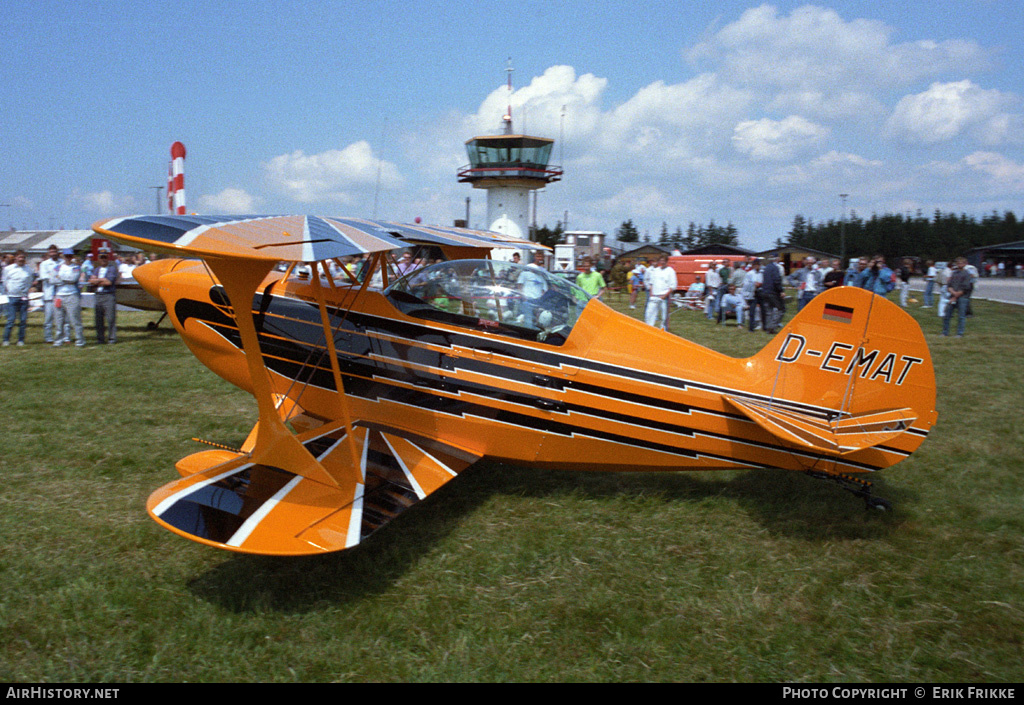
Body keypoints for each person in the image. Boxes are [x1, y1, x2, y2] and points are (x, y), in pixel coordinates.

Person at [53, 248, 85, 347]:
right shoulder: (57, 267)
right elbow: (52, 280)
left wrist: (60, 278)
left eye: (70, 256)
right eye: (66, 256)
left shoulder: (76, 267)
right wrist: (62, 279)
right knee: (58, 320)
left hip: (72, 295)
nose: (68, 258)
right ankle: (58, 341)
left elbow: (73, 278)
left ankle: (80, 341)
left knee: (75, 319)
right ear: (63, 256)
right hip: (59, 295)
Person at [2, 250, 35, 346]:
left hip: (23, 297)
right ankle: (6, 340)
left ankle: (21, 340)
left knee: (23, 320)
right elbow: (5, 281)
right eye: (19, 257)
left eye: (23, 257)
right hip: (12, 297)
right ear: (15, 258)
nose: (21, 259)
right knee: (11, 319)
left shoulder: (28, 269)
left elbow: (29, 281)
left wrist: (25, 291)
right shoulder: (8, 269)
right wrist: (10, 291)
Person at [90, 249, 120, 344]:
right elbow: (90, 281)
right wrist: (101, 280)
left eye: (105, 257)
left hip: (108, 295)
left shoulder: (112, 268)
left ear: (108, 258)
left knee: (110, 318)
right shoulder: (96, 269)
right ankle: (100, 339)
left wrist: (97, 280)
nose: (103, 259)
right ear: (98, 258)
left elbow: (108, 282)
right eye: (101, 257)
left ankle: (112, 338)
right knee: (98, 319)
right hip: (98, 295)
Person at [644, 255, 675, 331]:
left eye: (664, 260)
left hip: (664, 297)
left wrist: (664, 296)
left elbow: (672, 286)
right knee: (649, 314)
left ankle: (664, 330)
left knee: (664, 316)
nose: (662, 262)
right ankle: (649, 329)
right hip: (654, 296)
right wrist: (651, 293)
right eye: (661, 260)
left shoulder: (670, 271)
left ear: (667, 261)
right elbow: (651, 283)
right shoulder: (656, 270)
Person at [943, 258, 972, 337]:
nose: (960, 264)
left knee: (961, 316)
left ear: (965, 264)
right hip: (952, 295)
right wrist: (952, 292)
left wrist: (956, 296)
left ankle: (960, 333)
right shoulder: (954, 273)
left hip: (963, 297)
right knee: (947, 315)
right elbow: (949, 285)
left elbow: (966, 287)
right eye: (958, 263)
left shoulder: (967, 274)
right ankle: (945, 332)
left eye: (962, 263)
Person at [38, 244, 61, 343]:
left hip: (60, 293)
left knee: (61, 318)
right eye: (51, 252)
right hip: (49, 294)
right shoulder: (44, 264)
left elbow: (64, 275)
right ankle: (48, 337)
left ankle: (62, 337)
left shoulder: (62, 262)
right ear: (48, 253)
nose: (53, 254)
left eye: (54, 251)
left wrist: (54, 276)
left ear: (57, 252)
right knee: (48, 318)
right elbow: (44, 277)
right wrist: (56, 277)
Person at [760, 255, 784, 333]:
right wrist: (781, 291)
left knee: (769, 311)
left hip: (764, 291)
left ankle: (768, 327)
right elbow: (777, 280)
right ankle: (772, 327)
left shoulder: (765, 268)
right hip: (772, 292)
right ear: (776, 259)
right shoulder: (775, 268)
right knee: (781, 309)